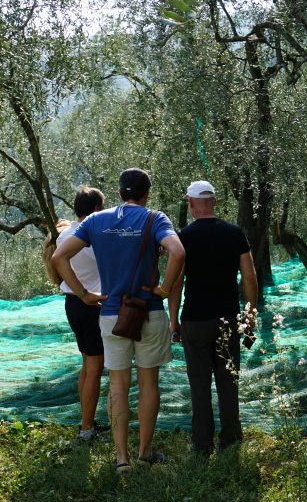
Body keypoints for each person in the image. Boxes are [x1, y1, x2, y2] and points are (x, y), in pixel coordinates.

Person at [52, 169, 184, 474]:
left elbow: (60, 257)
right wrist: (164, 288)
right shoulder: (155, 219)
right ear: (147, 192)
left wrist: (84, 294)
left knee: (117, 385)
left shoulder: (96, 221)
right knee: (148, 382)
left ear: (120, 192)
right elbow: (177, 252)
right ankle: (145, 452)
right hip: (148, 310)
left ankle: (122, 458)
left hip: (111, 313)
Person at [169, 180, 258, 456]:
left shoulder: (183, 237)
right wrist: (250, 314)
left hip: (195, 321)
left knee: (199, 385)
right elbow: (250, 276)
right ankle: (231, 439)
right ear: (214, 202)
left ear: (192, 203)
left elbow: (176, 283)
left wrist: (174, 322)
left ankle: (202, 444)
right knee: (228, 383)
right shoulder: (235, 233)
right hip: (227, 320)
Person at [46, 187, 106, 442]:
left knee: (87, 365)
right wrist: (84, 293)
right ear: (95, 210)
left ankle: (86, 421)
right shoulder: (93, 236)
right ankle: (86, 430)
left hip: (73, 305)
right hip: (90, 305)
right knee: (94, 369)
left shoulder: (64, 235)